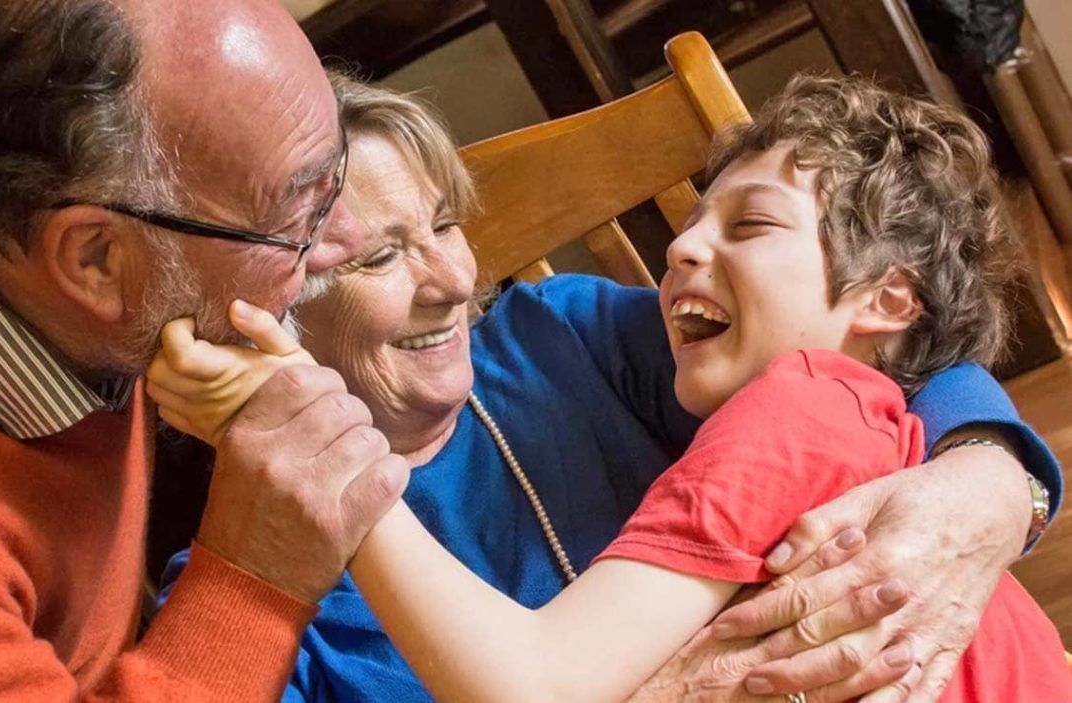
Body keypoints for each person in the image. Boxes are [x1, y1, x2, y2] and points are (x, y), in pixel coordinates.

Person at [155, 76, 1063, 702]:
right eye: (383, 255)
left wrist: (989, 481)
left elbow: (895, 369)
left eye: (444, 224)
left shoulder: (572, 336)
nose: (451, 280)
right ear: (254, 311)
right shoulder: (253, 571)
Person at [0, 1, 409, 700]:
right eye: (299, 211)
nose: (350, 237)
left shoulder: (95, 305)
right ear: (96, 260)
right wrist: (253, 579)